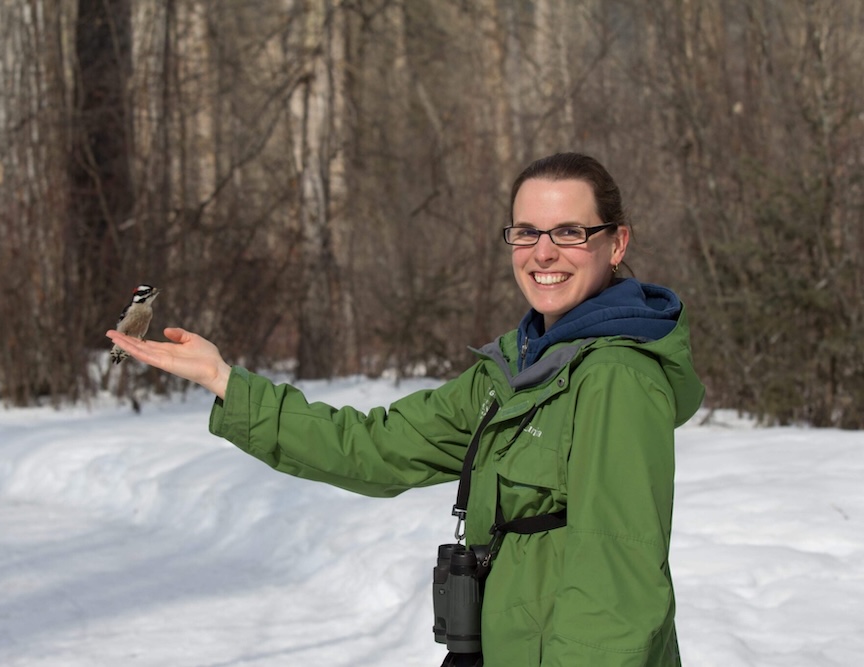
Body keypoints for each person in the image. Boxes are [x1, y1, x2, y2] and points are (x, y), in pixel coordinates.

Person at [107, 152, 705, 666]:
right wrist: (223, 379)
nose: (543, 253)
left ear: (616, 242)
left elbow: (619, 584)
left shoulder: (616, 378)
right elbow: (377, 447)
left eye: (569, 232)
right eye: (526, 232)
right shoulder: (517, 371)